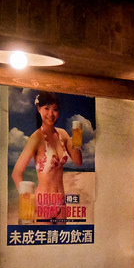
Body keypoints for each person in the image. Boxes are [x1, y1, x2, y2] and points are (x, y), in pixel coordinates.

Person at [11, 91, 83, 222]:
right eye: (46, 108)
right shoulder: (36, 138)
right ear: (39, 109)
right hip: (43, 204)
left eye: (55, 109)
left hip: (61, 203)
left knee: (62, 236)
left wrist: (77, 141)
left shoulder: (63, 134)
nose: (51, 114)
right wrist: (27, 199)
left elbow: (78, 161)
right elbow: (16, 173)